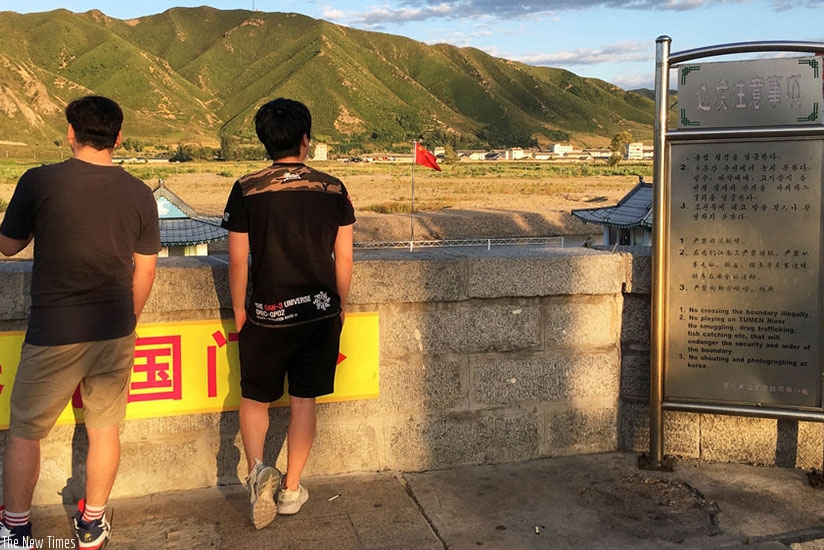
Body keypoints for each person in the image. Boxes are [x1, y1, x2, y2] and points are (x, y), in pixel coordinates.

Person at [0, 95, 161, 549]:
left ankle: (15, 529)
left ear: (71, 133)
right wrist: (128, 320)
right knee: (105, 428)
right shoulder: (138, 193)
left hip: (55, 329)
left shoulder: (39, 181)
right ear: (119, 137)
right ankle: (91, 525)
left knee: (26, 430)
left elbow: (8, 246)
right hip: (114, 328)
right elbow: (145, 269)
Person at [221, 98, 355, 530]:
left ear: (265, 140)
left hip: (267, 313)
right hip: (318, 313)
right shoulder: (333, 188)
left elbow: (238, 260)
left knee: (255, 396)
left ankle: (259, 469)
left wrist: (241, 308)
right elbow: (344, 259)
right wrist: (341, 306)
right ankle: (292, 489)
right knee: (303, 400)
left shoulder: (247, 188)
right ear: (305, 139)